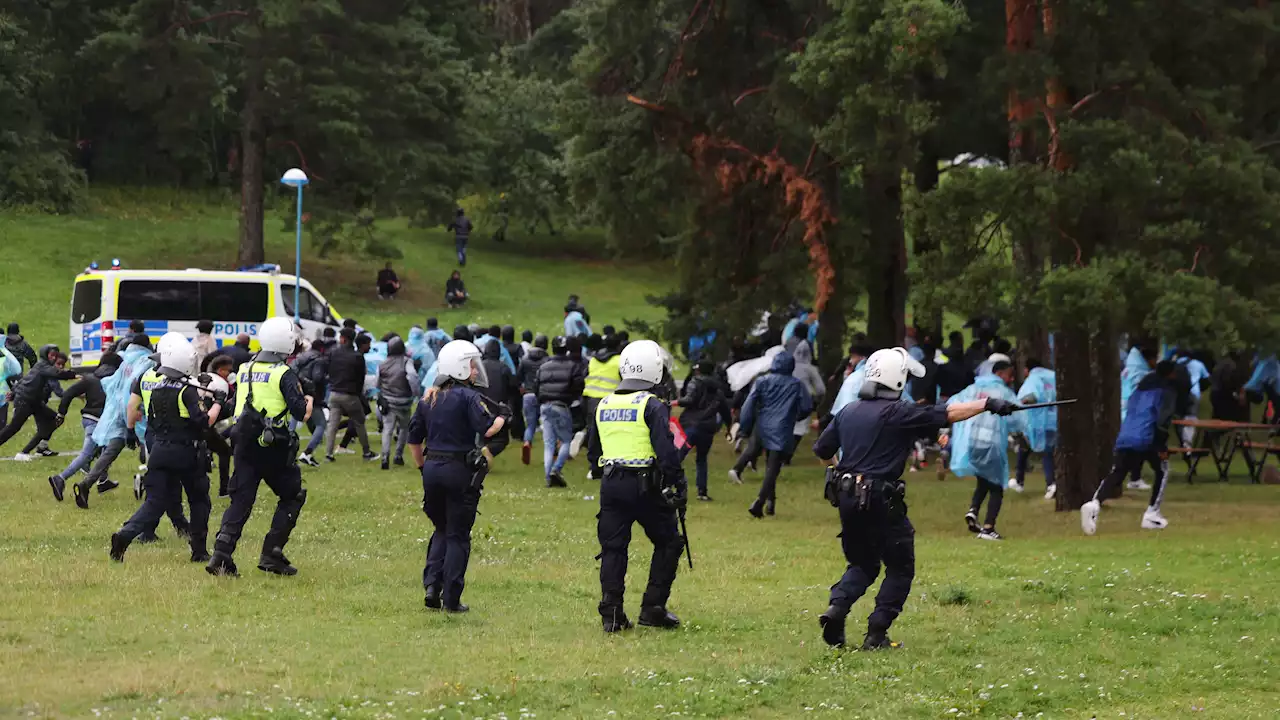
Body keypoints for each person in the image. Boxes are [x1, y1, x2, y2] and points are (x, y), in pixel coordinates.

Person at [812, 347, 1013, 649]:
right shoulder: (898, 412)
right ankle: (876, 634)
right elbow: (948, 413)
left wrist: (845, 476)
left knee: (862, 564)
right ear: (896, 380)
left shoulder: (848, 411)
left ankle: (837, 609)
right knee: (900, 566)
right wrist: (987, 404)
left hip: (847, 498)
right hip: (881, 499)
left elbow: (822, 451)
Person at [589, 339, 686, 633]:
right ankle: (653, 607)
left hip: (611, 483)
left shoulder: (603, 404)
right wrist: (678, 485)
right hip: (646, 485)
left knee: (613, 548)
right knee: (669, 542)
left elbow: (594, 453)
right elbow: (666, 452)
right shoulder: (652, 405)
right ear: (653, 371)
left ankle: (612, 614)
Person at [207, 317, 313, 577]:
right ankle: (272, 552)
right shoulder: (283, 373)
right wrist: (308, 399)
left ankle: (221, 554)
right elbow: (301, 413)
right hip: (272, 444)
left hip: (242, 440)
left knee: (241, 499)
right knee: (292, 495)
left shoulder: (245, 368)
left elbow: (237, 402)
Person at [408, 340, 506, 613]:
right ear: (460, 368)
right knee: (458, 535)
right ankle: (451, 598)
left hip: (432, 469)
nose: (476, 371)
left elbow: (414, 439)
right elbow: (487, 429)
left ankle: (431, 586)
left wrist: (421, 467)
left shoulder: (428, 397)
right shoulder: (469, 397)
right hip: (458, 471)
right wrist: (503, 418)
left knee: (441, 528)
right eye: (472, 366)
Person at [108, 334, 221, 564]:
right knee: (199, 500)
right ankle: (198, 550)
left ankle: (125, 535)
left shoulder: (157, 388)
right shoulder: (186, 390)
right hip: (185, 453)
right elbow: (203, 422)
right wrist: (217, 402)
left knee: (155, 502)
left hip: (159, 451)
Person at [1081, 360, 1180, 534]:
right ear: (1171, 374)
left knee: (1118, 472)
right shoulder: (1166, 392)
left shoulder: (1139, 390)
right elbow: (1162, 420)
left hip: (1126, 436)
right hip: (1147, 437)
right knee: (1162, 471)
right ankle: (1152, 513)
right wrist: (1161, 445)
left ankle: (1094, 503)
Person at [947, 360, 1025, 540]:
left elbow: (953, 405)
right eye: (1008, 374)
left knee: (984, 478)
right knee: (997, 484)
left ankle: (973, 511)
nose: (1010, 378)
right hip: (992, 442)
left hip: (973, 442)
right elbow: (1019, 419)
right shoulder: (1004, 392)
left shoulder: (972, 388)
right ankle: (989, 528)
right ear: (1000, 373)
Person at [75, 340, 154, 508]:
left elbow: (112, 384)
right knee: (152, 448)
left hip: (118, 411)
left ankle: (87, 483)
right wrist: (132, 424)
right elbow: (136, 389)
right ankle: (148, 483)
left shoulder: (126, 360)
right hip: (135, 411)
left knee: (110, 451)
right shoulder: (147, 361)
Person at [738, 351, 812, 518]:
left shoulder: (762, 381)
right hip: (783, 427)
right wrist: (795, 416)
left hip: (763, 425)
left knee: (769, 465)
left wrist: (745, 427)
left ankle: (770, 503)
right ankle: (761, 501)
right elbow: (807, 407)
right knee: (773, 467)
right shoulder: (796, 384)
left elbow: (748, 405)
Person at [48, 352, 123, 501]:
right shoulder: (117, 381)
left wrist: (61, 414)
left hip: (89, 419)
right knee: (87, 454)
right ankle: (60, 478)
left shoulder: (90, 379)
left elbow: (68, 393)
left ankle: (103, 480)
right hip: (99, 422)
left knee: (105, 450)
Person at [0, 345, 77, 461]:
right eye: (51, 355)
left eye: (55, 356)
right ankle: (25, 453)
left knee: (55, 419)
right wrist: (73, 374)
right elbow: (57, 373)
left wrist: (14, 391)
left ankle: (33, 449)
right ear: (45, 355)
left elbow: (24, 380)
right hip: (25, 400)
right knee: (13, 427)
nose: (54, 358)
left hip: (34, 401)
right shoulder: (43, 365)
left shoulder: (41, 366)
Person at [675, 359, 732, 501]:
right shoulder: (718, 389)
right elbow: (725, 411)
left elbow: (689, 400)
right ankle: (702, 492)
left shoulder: (695, 382)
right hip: (707, 429)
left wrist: (674, 402)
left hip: (691, 426)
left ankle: (669, 486)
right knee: (701, 459)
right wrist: (729, 427)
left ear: (699, 370)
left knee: (676, 457)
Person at [535, 336, 586, 487]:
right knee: (565, 440)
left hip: (545, 405)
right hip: (561, 405)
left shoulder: (544, 366)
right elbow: (578, 385)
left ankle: (548, 477)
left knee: (549, 444)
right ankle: (556, 469)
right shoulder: (573, 366)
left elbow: (536, 385)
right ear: (566, 349)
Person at [324, 328, 376, 462]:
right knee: (359, 422)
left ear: (343, 339)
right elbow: (360, 379)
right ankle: (366, 452)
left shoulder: (333, 353)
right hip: (350, 394)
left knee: (332, 425)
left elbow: (328, 370)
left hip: (334, 393)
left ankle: (328, 454)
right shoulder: (357, 357)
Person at [1014, 359, 1059, 499]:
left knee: (1046, 453)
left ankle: (1051, 484)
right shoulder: (1053, 376)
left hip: (1039, 422)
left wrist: (1018, 403)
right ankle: (1019, 480)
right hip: (1055, 419)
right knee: (1029, 448)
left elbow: (1032, 396)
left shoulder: (1033, 379)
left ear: (1027, 369)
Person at [583, 334, 624, 480]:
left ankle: (594, 468)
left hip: (592, 400)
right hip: (611, 401)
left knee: (594, 434)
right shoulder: (619, 361)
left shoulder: (593, 360)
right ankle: (611, 464)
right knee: (611, 434)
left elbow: (585, 376)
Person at [376, 336, 419, 470]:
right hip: (404, 402)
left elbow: (376, 383)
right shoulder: (407, 362)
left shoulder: (382, 364)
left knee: (387, 430)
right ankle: (398, 455)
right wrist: (415, 392)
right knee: (404, 428)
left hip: (388, 402)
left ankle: (384, 457)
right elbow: (412, 376)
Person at [293, 338, 331, 467]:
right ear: (321, 349)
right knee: (321, 424)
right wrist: (328, 378)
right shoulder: (319, 360)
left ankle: (300, 454)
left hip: (298, 393)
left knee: (308, 420)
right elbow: (317, 377)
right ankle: (307, 453)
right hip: (312, 396)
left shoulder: (301, 357)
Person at [478, 339, 518, 458]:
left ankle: (480, 456)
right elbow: (513, 390)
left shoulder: (479, 367)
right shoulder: (504, 368)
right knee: (501, 439)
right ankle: (487, 451)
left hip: (480, 407)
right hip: (499, 408)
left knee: (482, 435)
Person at [518, 334, 550, 465]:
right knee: (548, 424)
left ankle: (527, 442)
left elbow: (519, 376)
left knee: (530, 425)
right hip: (543, 395)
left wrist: (522, 388)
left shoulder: (525, 359)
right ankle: (552, 450)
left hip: (528, 395)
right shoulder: (547, 360)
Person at [0, 344, 22, 429]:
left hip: (3, 393)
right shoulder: (5, 360)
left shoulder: (5, 360)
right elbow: (12, 375)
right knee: (2, 420)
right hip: (3, 394)